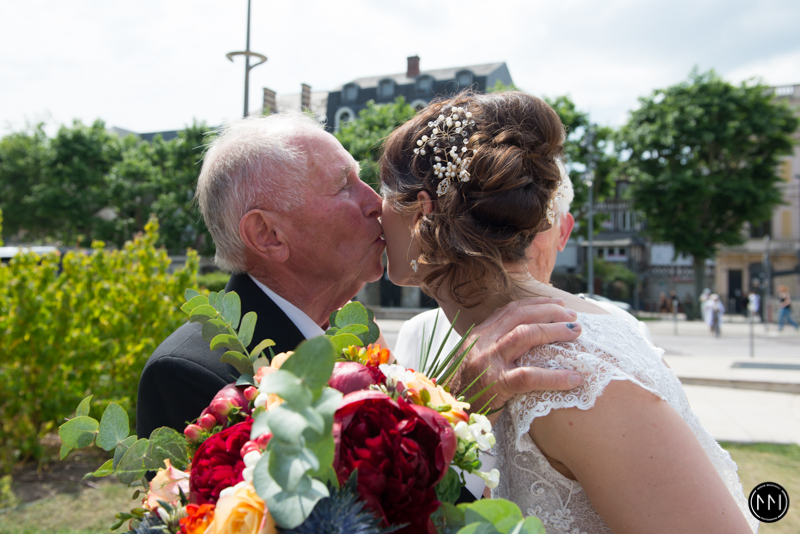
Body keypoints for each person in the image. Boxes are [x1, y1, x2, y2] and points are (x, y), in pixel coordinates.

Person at [378, 91, 756, 533]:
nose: (371, 208)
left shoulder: (570, 374)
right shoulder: (511, 348)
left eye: (382, 192)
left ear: (422, 214)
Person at [136, 112, 583, 456]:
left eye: (362, 179)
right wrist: (457, 411)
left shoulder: (359, 331)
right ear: (268, 235)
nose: (376, 203)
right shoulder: (189, 375)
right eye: (344, 187)